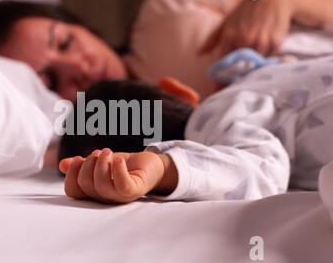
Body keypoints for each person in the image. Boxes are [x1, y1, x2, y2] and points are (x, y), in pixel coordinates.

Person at [0, 0, 333, 100]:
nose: (77, 68)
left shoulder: (163, 13)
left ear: (81, 25)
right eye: (51, 81)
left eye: (65, 42)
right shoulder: (119, 139)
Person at [58, 55, 333, 203]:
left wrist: (165, 168)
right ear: (177, 89)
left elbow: (261, 172)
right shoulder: (251, 79)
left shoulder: (217, 121)